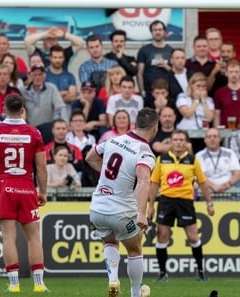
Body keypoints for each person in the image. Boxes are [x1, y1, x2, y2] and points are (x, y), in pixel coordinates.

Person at [85, 107, 157, 297]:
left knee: (110, 242)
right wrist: (142, 213)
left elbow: (90, 157)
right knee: (135, 249)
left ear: (135, 124)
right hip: (122, 211)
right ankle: (136, 293)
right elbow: (143, 180)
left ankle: (113, 280)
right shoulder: (145, 151)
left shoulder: (112, 140)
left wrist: (110, 179)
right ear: (155, 128)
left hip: (98, 207)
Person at [0, 94, 50, 292]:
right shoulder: (33, 132)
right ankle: (39, 284)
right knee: (33, 237)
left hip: (4, 185)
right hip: (26, 185)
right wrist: (42, 191)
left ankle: (14, 285)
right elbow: (41, 168)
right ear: (23, 110)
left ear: (4, 109)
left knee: (8, 236)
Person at [148, 129, 214, 282]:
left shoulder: (192, 160)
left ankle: (201, 271)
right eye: (175, 140)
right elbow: (154, 183)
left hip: (185, 201)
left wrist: (209, 203)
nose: (178, 142)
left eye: (181, 140)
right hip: (166, 200)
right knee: (162, 235)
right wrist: (150, 205)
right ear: (171, 142)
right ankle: (162, 273)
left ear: (186, 143)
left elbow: (203, 183)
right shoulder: (162, 159)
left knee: (192, 236)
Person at [195, 128, 240, 193]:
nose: (212, 139)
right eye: (209, 137)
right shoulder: (199, 156)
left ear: (220, 139)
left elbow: (237, 174)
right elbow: (200, 176)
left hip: (229, 191)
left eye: (215, 136)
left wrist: (227, 185)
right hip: (208, 193)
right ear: (205, 140)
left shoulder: (230, 153)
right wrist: (213, 186)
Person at [136, 20, 174, 97]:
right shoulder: (144, 50)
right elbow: (139, 74)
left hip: (167, 93)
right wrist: (142, 92)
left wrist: (166, 66)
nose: (157, 32)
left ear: (164, 32)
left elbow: (176, 73)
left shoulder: (171, 50)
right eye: (155, 30)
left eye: (160, 30)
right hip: (149, 93)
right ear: (151, 32)